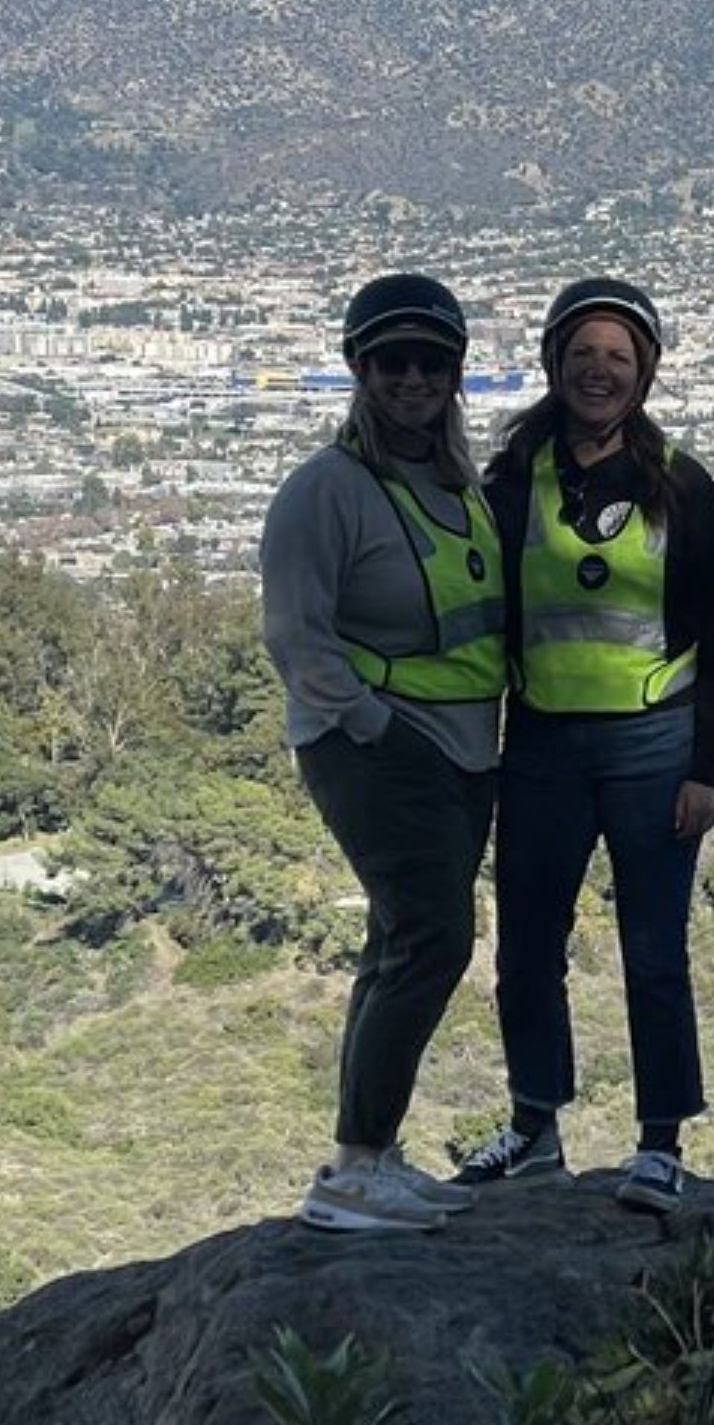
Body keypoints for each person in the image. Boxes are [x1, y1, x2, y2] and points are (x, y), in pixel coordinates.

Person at [457, 277, 714, 1212]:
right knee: (526, 947)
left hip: (654, 747)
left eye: (619, 357)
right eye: (583, 353)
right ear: (552, 364)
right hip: (541, 743)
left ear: (646, 374)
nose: (599, 371)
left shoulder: (685, 488)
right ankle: (535, 1124)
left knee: (653, 948)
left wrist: (708, 770)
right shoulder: (511, 484)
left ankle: (660, 1144)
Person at [260, 272, 504, 1234]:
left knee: (399, 940)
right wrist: (370, 725)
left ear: (456, 373)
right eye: (392, 360)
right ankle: (356, 1169)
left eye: (431, 361)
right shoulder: (327, 490)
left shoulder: (456, 485)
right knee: (436, 939)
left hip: (461, 751)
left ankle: (368, 1159)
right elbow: (295, 634)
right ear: (359, 370)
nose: (412, 378)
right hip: (379, 749)